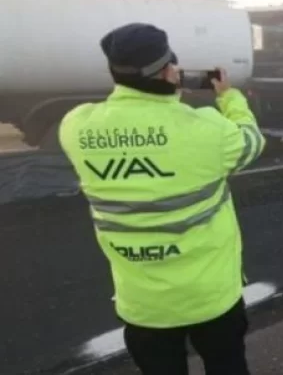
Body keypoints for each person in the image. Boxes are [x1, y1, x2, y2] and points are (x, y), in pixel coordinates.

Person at [58, 22, 265, 375]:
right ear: (171, 71)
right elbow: (252, 142)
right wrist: (229, 97)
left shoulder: (76, 126)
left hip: (144, 304)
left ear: (113, 72)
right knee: (227, 366)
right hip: (210, 298)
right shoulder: (208, 129)